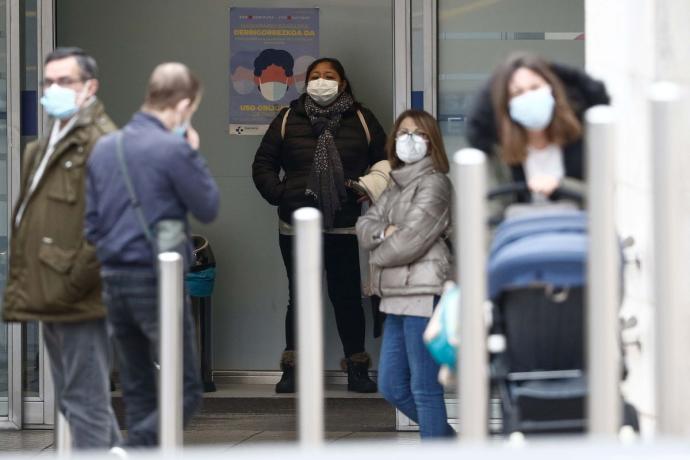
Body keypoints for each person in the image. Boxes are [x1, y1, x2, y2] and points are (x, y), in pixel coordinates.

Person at [85, 63, 220, 447]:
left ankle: (136, 449)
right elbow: (207, 206)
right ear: (183, 104)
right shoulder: (175, 148)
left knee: (138, 386)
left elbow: (90, 223)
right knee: (186, 389)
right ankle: (133, 450)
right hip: (156, 278)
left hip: (112, 279)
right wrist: (192, 152)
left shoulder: (106, 147)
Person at [2, 47, 121, 449]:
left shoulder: (103, 143)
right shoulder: (43, 145)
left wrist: (73, 281)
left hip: (82, 291)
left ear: (90, 87)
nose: (54, 89)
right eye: (48, 82)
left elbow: (111, 226)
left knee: (84, 398)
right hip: (52, 287)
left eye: (65, 81)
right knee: (75, 399)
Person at [252, 57, 387, 393]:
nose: (321, 81)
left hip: (344, 225)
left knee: (346, 298)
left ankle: (357, 369)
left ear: (342, 83)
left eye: (329, 76)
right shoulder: (287, 118)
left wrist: (368, 187)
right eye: (315, 76)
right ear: (306, 82)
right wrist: (282, 195)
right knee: (299, 297)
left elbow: (386, 159)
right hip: (296, 225)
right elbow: (263, 164)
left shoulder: (361, 118)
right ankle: (293, 370)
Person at [356, 109, 454, 439]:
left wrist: (379, 250)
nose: (408, 139)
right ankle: (451, 444)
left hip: (423, 292)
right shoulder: (396, 185)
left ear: (432, 141)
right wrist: (386, 232)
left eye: (418, 133)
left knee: (425, 389)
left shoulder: (435, 184)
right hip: (395, 295)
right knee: (392, 386)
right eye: (402, 132)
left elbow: (411, 240)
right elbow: (364, 225)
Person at [466, 52, 609, 200]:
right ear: (506, 102)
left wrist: (560, 185)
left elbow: (601, 196)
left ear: (552, 88)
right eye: (518, 92)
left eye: (535, 87)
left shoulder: (581, 135)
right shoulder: (497, 151)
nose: (528, 96)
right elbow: (492, 204)